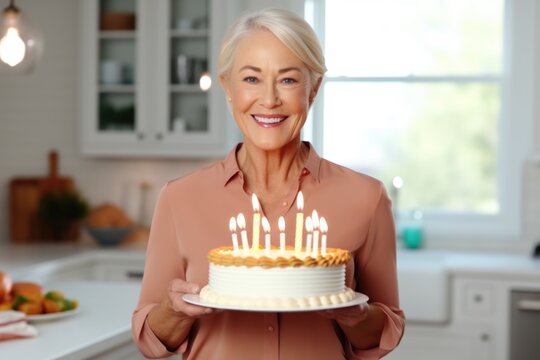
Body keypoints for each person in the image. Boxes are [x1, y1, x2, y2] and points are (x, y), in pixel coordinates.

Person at [132, 8, 405, 359]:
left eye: (288, 80)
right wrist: (175, 310)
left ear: (314, 88)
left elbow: (386, 330)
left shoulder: (366, 198)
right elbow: (149, 340)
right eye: (251, 79)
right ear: (227, 86)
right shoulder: (179, 198)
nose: (270, 99)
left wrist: (356, 316)